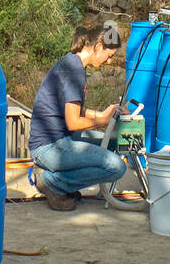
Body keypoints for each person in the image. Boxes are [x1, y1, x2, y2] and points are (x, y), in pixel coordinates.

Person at [29, 20, 127, 211]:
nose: (108, 62)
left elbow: (75, 111)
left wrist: (104, 113)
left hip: (60, 140)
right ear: (98, 47)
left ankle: (59, 180)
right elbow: (73, 122)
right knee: (117, 166)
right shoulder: (74, 71)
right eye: (109, 56)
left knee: (116, 142)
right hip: (50, 147)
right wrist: (103, 120)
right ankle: (52, 182)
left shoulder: (73, 63)